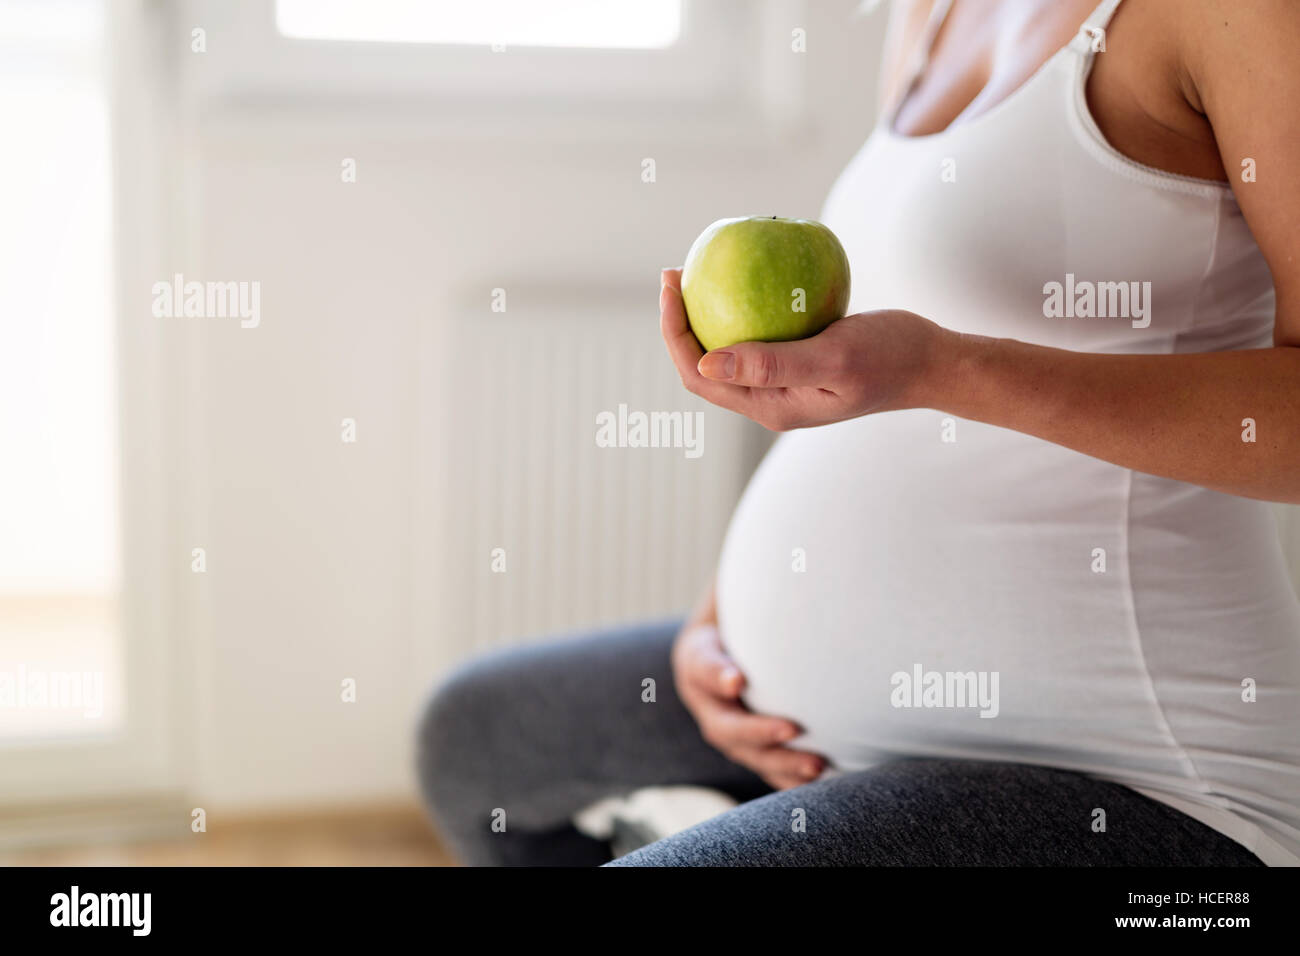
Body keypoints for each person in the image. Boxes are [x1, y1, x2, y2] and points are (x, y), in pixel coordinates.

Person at [418, 0, 1300, 866]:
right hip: (824, 727)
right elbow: (864, 379)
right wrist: (725, 615)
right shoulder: (931, 12)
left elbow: (924, 362)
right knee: (477, 744)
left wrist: (943, 369)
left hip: (1139, 784)